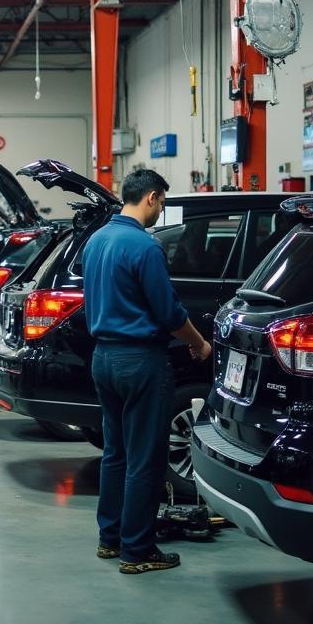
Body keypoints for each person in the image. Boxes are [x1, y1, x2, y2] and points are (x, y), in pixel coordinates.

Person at [81, 168, 211, 575]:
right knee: (145, 458)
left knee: (115, 452)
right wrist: (197, 342)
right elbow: (169, 311)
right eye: (163, 203)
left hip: (103, 358)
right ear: (152, 197)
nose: (161, 211)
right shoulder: (144, 246)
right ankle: (137, 551)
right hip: (140, 361)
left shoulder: (96, 240)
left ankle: (110, 538)